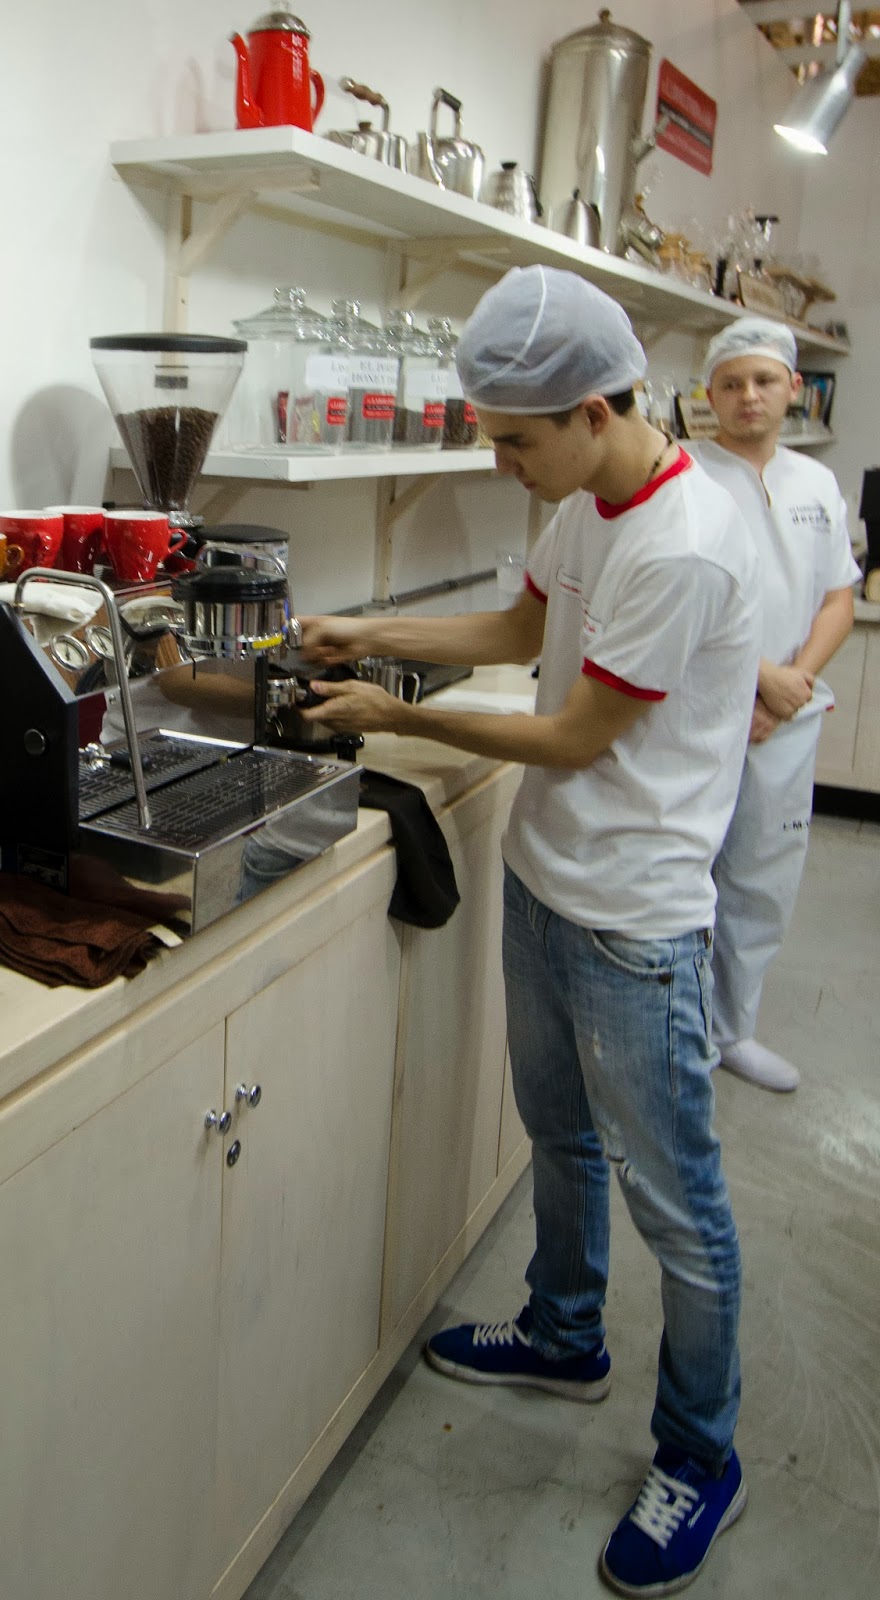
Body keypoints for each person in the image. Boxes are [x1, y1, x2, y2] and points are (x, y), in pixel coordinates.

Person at [297, 265, 761, 1598]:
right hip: (552, 881)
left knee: (678, 1205)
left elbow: (572, 730)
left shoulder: (682, 538)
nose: (499, 460)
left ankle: (701, 1452)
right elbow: (518, 627)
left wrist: (390, 712)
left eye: (515, 438)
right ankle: (566, 1334)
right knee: (557, 1137)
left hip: (638, 926)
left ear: (600, 406)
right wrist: (366, 633)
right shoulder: (590, 497)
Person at [688, 321, 859, 1093]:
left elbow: (837, 598)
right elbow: (679, 598)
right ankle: (679, 1030)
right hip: (701, 709)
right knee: (689, 873)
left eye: (763, 381)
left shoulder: (815, 481)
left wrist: (790, 687)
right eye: (731, 383)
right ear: (709, 394)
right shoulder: (684, 474)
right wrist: (756, 679)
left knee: (762, 877)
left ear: (795, 388)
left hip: (786, 714)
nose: (747, 396)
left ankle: (732, 1029)